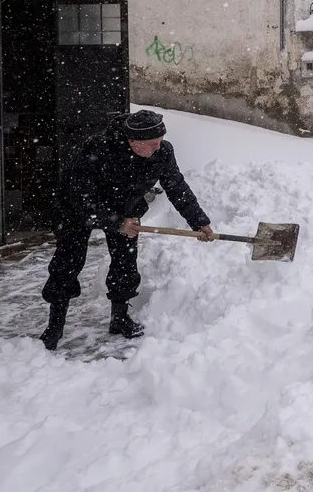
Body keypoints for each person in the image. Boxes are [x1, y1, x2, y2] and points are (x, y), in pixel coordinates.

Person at [39, 110, 214, 351]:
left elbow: (176, 187)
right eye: (152, 143)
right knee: (68, 261)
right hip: (77, 210)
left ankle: (119, 318)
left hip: (125, 207)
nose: (158, 146)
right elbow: (81, 199)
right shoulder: (97, 151)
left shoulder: (162, 152)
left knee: (125, 261)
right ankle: (55, 325)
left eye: (160, 141)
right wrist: (115, 221)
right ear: (133, 141)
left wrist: (199, 221)